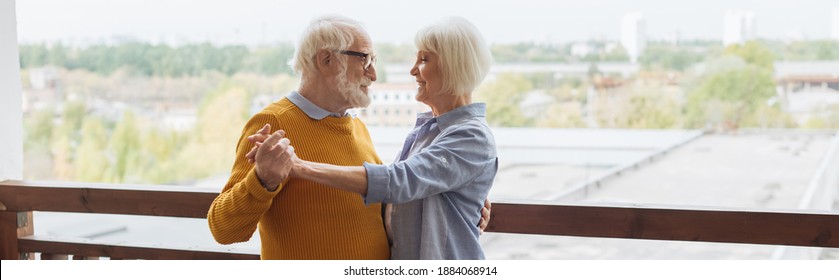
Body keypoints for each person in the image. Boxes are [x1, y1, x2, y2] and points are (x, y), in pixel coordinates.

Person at [208, 15, 490, 260]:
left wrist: (462, 203)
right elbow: (223, 229)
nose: (374, 74)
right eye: (364, 59)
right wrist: (263, 180)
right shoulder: (275, 122)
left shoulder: (357, 129)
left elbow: (391, 191)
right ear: (326, 60)